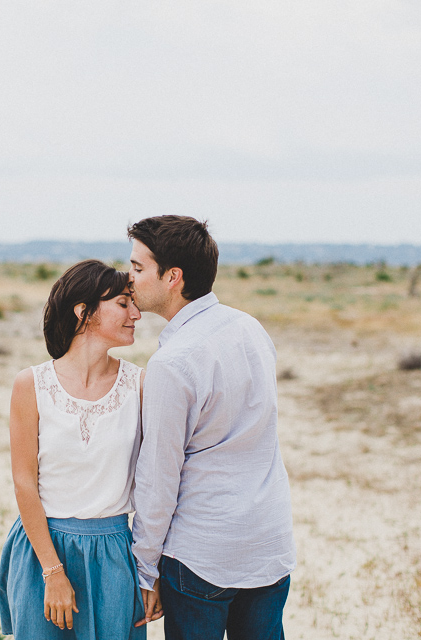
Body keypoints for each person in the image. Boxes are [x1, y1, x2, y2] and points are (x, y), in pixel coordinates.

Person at [128, 216, 297, 640]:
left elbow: (159, 475)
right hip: (267, 542)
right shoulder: (249, 328)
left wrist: (144, 569)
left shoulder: (173, 362)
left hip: (202, 555)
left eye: (137, 268)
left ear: (172, 277)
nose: (128, 280)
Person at [0, 259, 147, 639]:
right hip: (43, 549)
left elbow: (154, 483)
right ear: (84, 311)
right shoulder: (30, 384)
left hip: (115, 552)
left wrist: (149, 572)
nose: (137, 314)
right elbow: (24, 483)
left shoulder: (141, 385)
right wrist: (52, 570)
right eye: (123, 303)